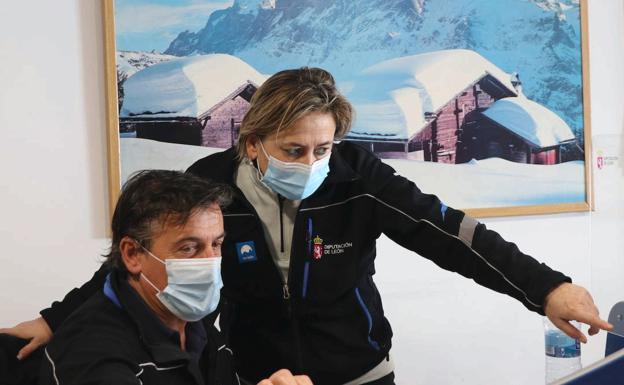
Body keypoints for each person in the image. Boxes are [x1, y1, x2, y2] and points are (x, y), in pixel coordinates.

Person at [1, 68, 612, 385]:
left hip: (359, 372)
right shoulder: (209, 183)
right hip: (254, 371)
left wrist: (545, 288)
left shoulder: (356, 176)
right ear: (252, 140)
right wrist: (58, 318)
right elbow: (135, 262)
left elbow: (449, 232)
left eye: (324, 147)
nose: (313, 164)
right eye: (294, 150)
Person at [32, 170, 312, 385]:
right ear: (132, 254)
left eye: (215, 244)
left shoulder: (195, 323)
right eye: (189, 248)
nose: (209, 263)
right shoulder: (92, 354)